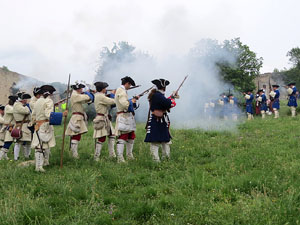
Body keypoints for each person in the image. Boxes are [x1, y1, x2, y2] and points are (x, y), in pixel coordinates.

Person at [31, 85, 63, 172]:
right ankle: (39, 167)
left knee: (39, 146)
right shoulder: (48, 101)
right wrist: (62, 115)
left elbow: (33, 115)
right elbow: (48, 115)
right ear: (50, 93)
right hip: (45, 125)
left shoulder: (37, 101)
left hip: (38, 125)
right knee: (42, 147)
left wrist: (35, 123)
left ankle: (41, 165)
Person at [144, 79, 177, 162]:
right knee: (156, 141)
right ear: (163, 87)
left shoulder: (157, 94)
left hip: (159, 120)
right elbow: (169, 103)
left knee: (165, 139)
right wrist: (173, 99)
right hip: (157, 120)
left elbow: (164, 102)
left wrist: (171, 97)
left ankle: (164, 158)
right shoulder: (158, 95)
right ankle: (157, 160)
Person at [65, 83, 94, 159]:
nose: (82, 90)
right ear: (78, 89)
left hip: (78, 116)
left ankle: (74, 153)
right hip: (76, 117)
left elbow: (87, 100)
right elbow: (86, 97)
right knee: (76, 135)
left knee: (77, 135)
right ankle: (74, 154)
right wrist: (88, 93)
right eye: (81, 89)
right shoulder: (75, 95)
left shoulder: (76, 95)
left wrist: (90, 95)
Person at [114, 76, 139, 163]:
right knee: (123, 136)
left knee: (131, 136)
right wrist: (132, 101)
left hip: (127, 116)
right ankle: (120, 158)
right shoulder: (121, 91)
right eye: (130, 85)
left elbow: (125, 102)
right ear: (127, 83)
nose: (130, 86)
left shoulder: (122, 91)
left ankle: (129, 155)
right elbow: (125, 105)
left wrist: (132, 100)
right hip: (124, 116)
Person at [93, 82, 116, 161]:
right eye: (105, 88)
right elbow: (113, 101)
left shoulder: (99, 95)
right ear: (102, 89)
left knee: (112, 135)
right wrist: (112, 94)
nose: (106, 89)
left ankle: (112, 154)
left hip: (105, 118)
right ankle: (96, 156)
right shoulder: (100, 96)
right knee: (102, 138)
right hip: (102, 118)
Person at [13, 93, 32, 160]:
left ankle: (27, 156)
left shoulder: (21, 105)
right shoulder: (17, 105)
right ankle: (16, 158)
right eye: (25, 99)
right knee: (18, 142)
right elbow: (26, 111)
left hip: (26, 126)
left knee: (28, 142)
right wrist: (27, 106)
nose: (26, 100)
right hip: (21, 126)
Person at [0, 96, 18, 160]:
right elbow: (15, 111)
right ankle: (1, 156)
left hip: (12, 127)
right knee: (8, 142)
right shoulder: (8, 107)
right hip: (8, 127)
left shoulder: (12, 107)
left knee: (9, 142)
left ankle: (4, 156)